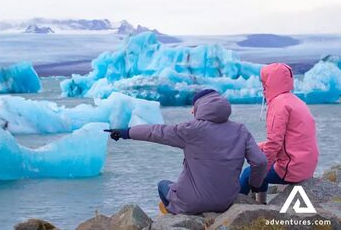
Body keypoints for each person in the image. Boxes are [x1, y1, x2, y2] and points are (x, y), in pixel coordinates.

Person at [105, 89, 267, 215]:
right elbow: (260, 162)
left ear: (200, 108)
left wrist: (126, 133)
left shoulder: (191, 129)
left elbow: (156, 132)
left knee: (163, 185)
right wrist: (254, 185)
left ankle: (175, 211)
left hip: (192, 202)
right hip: (226, 201)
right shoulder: (240, 130)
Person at [239, 63, 319, 203]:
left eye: (264, 82)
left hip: (293, 168)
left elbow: (275, 143)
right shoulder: (295, 101)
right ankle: (260, 203)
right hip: (306, 164)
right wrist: (259, 147)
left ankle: (236, 206)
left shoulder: (279, 104)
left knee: (249, 173)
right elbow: (291, 139)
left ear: (271, 82)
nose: (263, 86)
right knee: (261, 161)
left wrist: (261, 170)